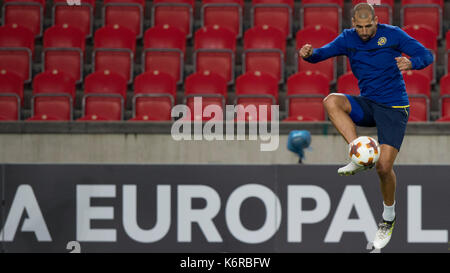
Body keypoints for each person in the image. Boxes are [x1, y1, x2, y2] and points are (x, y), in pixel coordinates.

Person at [299, 3, 433, 249]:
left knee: (383, 168)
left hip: (393, 108)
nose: (363, 31)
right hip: (369, 104)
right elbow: (321, 54)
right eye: (359, 26)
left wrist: (411, 64)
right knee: (331, 101)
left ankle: (388, 218)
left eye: (368, 25)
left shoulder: (392, 34)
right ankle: (358, 152)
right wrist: (309, 54)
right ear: (353, 23)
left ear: (376, 20)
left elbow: (427, 55)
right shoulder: (348, 38)